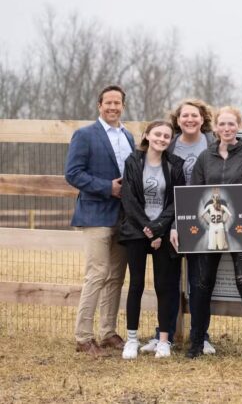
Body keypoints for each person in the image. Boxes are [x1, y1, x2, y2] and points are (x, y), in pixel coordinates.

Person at [169, 106, 242, 359]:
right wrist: (178, 225)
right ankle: (197, 342)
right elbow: (193, 193)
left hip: (240, 227)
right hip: (209, 229)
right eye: (222, 124)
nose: (226, 129)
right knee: (202, 284)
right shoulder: (204, 157)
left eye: (231, 124)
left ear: (238, 126)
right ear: (216, 127)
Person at [140, 99, 217, 356]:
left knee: (199, 281)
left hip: (204, 218)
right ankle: (164, 335)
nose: (189, 120)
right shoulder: (168, 143)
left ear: (202, 118)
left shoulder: (212, 142)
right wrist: (167, 223)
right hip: (171, 218)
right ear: (178, 119)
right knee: (169, 281)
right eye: (185, 116)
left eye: (194, 116)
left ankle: (201, 336)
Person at [65, 85, 135, 357]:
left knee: (116, 276)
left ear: (123, 106)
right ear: (99, 105)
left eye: (117, 103)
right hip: (96, 214)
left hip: (123, 217)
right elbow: (73, 174)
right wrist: (108, 187)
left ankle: (107, 332)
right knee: (97, 274)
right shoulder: (85, 135)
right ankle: (83, 336)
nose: (113, 107)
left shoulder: (128, 136)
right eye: (108, 103)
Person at [118, 120, 185, 359]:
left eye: (167, 136)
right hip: (137, 230)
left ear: (170, 140)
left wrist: (158, 229)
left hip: (164, 231)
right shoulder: (133, 161)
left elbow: (177, 201)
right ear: (147, 135)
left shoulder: (176, 164)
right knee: (136, 284)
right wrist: (147, 228)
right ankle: (132, 340)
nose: (162, 139)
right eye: (157, 134)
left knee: (164, 286)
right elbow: (129, 199)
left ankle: (164, 340)